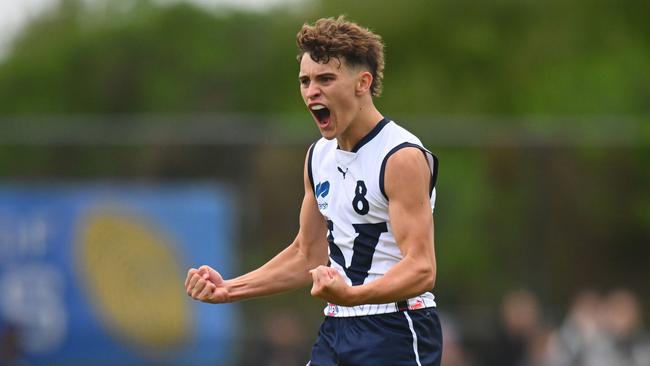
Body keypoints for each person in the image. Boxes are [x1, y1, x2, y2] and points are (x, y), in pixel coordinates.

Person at [185, 16, 442, 365]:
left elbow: (422, 268)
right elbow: (307, 255)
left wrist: (355, 295)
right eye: (305, 81)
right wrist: (229, 289)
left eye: (325, 79)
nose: (311, 92)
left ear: (362, 83)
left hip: (396, 327)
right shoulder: (318, 156)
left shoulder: (400, 157)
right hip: (336, 328)